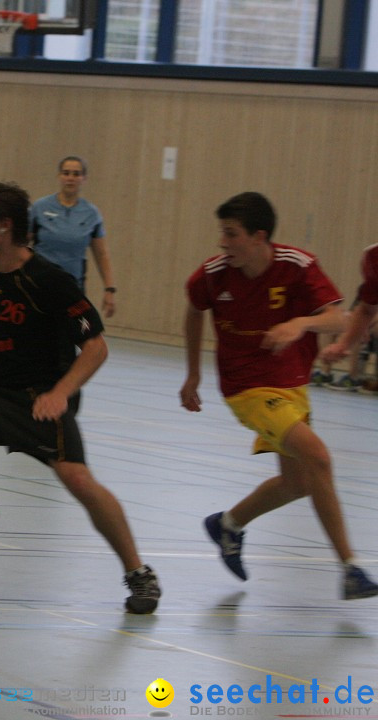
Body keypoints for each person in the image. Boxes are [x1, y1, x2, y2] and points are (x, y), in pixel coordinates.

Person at [0, 181, 161, 614]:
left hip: (39, 400)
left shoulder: (49, 281)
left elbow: (96, 347)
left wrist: (61, 393)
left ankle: (139, 574)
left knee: (78, 481)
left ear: (4, 227)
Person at [180, 192, 378, 600]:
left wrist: (300, 324)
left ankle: (228, 524)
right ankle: (349, 568)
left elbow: (338, 316)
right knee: (319, 457)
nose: (223, 243)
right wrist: (193, 373)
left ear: (259, 236)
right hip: (246, 387)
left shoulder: (297, 266)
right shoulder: (213, 274)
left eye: (231, 234)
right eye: (222, 233)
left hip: (291, 384)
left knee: (298, 483)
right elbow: (193, 309)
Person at [29, 156, 117, 318]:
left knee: (68, 338)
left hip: (72, 288)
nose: (71, 178)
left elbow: (102, 254)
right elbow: (20, 245)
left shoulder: (91, 214)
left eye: (76, 174)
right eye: (66, 173)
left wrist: (109, 289)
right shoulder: (40, 208)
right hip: (38, 286)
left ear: (84, 179)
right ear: (59, 176)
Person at [320, 243, 378, 393]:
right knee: (336, 321)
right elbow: (366, 310)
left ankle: (354, 376)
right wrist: (343, 345)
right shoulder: (373, 256)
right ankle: (326, 373)